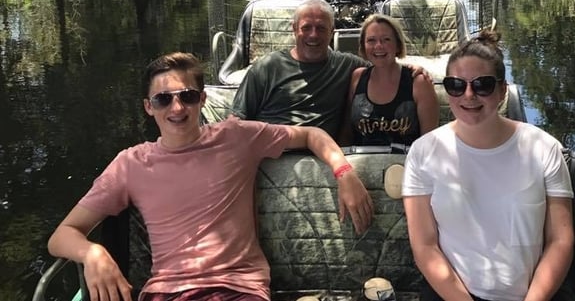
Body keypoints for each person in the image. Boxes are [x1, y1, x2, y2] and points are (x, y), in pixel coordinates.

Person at [47, 52, 373, 301]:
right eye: (164, 99)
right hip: (166, 292)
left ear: (202, 99)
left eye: (187, 96)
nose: (177, 108)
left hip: (239, 289)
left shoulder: (236, 137)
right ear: (149, 107)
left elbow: (311, 134)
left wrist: (344, 173)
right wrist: (92, 252)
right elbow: (62, 235)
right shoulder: (130, 164)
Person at [401, 31, 574, 301]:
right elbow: (425, 246)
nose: (469, 95)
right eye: (456, 85)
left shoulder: (544, 149)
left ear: (503, 90)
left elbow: (560, 241)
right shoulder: (423, 153)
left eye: (482, 85)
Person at [231, 0, 367, 137]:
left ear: (331, 32)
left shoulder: (345, 65)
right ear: (294, 29)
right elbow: (236, 120)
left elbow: (385, 68)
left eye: (321, 28)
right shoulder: (267, 67)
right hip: (273, 152)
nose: (313, 35)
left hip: (323, 154)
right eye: (306, 28)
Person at [344, 14, 439, 147]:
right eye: (371, 40)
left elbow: (430, 143)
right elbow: (347, 132)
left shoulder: (419, 82)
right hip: (361, 164)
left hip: (406, 164)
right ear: (363, 46)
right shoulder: (357, 77)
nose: (378, 46)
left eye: (386, 39)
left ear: (398, 46)